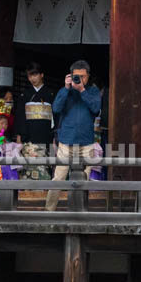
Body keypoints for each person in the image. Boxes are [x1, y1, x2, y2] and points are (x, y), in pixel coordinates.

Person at [45, 60, 102, 211]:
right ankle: (48, 212)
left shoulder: (93, 91)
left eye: (83, 77)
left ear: (88, 77)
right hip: (66, 140)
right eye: (76, 76)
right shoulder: (65, 91)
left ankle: (79, 211)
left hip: (86, 142)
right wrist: (65, 88)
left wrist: (82, 90)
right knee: (58, 179)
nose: (80, 80)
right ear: (70, 76)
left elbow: (96, 109)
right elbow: (56, 109)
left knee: (84, 181)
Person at [16, 62, 55, 181]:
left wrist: (55, 137)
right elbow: (20, 117)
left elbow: (55, 117)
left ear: (41, 75)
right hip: (29, 138)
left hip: (46, 136)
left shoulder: (50, 94)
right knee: (28, 170)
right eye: (30, 76)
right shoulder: (25, 94)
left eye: (35, 75)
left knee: (45, 169)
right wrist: (19, 137)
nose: (32, 78)